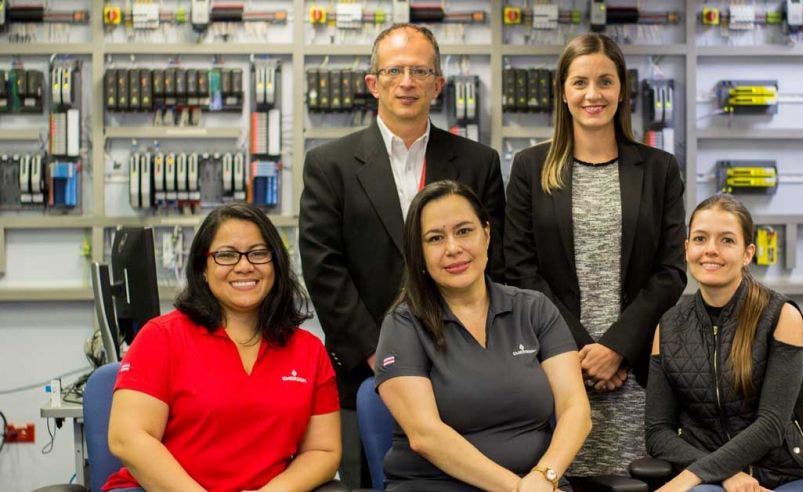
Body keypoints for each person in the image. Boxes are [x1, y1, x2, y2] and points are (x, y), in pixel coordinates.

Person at [299, 23, 505, 488]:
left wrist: (468, 355)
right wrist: (380, 355)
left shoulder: (478, 162)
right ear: (374, 83)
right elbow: (323, 266)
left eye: (420, 71)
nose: (407, 82)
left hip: (465, 365)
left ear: (439, 84)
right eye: (395, 70)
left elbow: (496, 261)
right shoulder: (329, 164)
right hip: (368, 371)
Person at [504, 33, 686, 481]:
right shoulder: (530, 168)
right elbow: (522, 270)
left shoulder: (659, 169)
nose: (592, 94)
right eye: (580, 82)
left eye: (605, 82)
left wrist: (616, 348)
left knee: (637, 479)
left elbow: (671, 272)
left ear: (621, 90)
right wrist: (581, 353)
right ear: (563, 92)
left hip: (639, 370)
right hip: (556, 369)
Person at [104, 203, 341, 492]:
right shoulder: (161, 337)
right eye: (226, 255)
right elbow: (127, 437)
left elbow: (324, 451)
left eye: (258, 253)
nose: (244, 265)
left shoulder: (308, 351)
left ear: (276, 264)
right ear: (203, 268)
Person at [374, 180, 591, 491]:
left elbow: (576, 409)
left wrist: (546, 475)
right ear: (419, 253)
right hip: (435, 485)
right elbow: (425, 436)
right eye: (435, 238)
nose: (453, 248)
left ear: (486, 234)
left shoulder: (535, 310)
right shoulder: (403, 324)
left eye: (464, 231)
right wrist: (517, 488)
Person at [646, 194, 803, 491]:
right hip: (710, 478)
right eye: (700, 239)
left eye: (726, 240)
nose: (710, 250)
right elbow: (658, 433)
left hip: (787, 471)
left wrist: (689, 476)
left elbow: (771, 426)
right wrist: (721, 473)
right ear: (686, 250)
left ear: (748, 253)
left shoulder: (781, 315)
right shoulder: (669, 326)